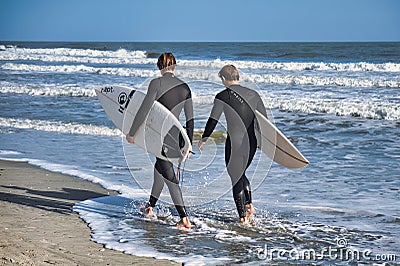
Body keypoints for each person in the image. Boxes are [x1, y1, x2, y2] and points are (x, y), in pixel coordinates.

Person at [126, 52, 193, 229]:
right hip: (176, 138)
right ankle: (150, 207)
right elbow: (190, 120)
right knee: (160, 170)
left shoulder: (156, 83)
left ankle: (184, 218)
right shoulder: (185, 87)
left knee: (169, 177)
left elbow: (144, 109)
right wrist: (188, 144)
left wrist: (132, 132)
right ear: (175, 66)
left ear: (159, 67)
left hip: (159, 137)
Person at [198, 65, 267, 225]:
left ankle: (242, 217)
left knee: (235, 177)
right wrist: (264, 144)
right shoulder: (254, 94)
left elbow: (213, 119)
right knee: (241, 173)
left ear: (223, 78)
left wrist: (204, 137)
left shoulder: (222, 96)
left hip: (234, 142)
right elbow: (264, 121)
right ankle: (249, 205)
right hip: (252, 143)